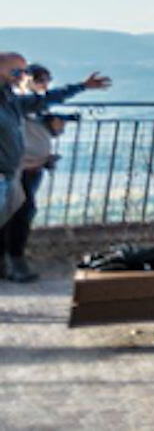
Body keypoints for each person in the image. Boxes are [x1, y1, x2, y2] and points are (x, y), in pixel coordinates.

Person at [0, 51, 108, 278]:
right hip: (10, 171)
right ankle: (13, 264)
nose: (20, 76)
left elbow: (43, 100)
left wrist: (81, 87)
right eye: (16, 71)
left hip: (11, 173)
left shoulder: (9, 99)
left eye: (23, 72)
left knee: (17, 214)